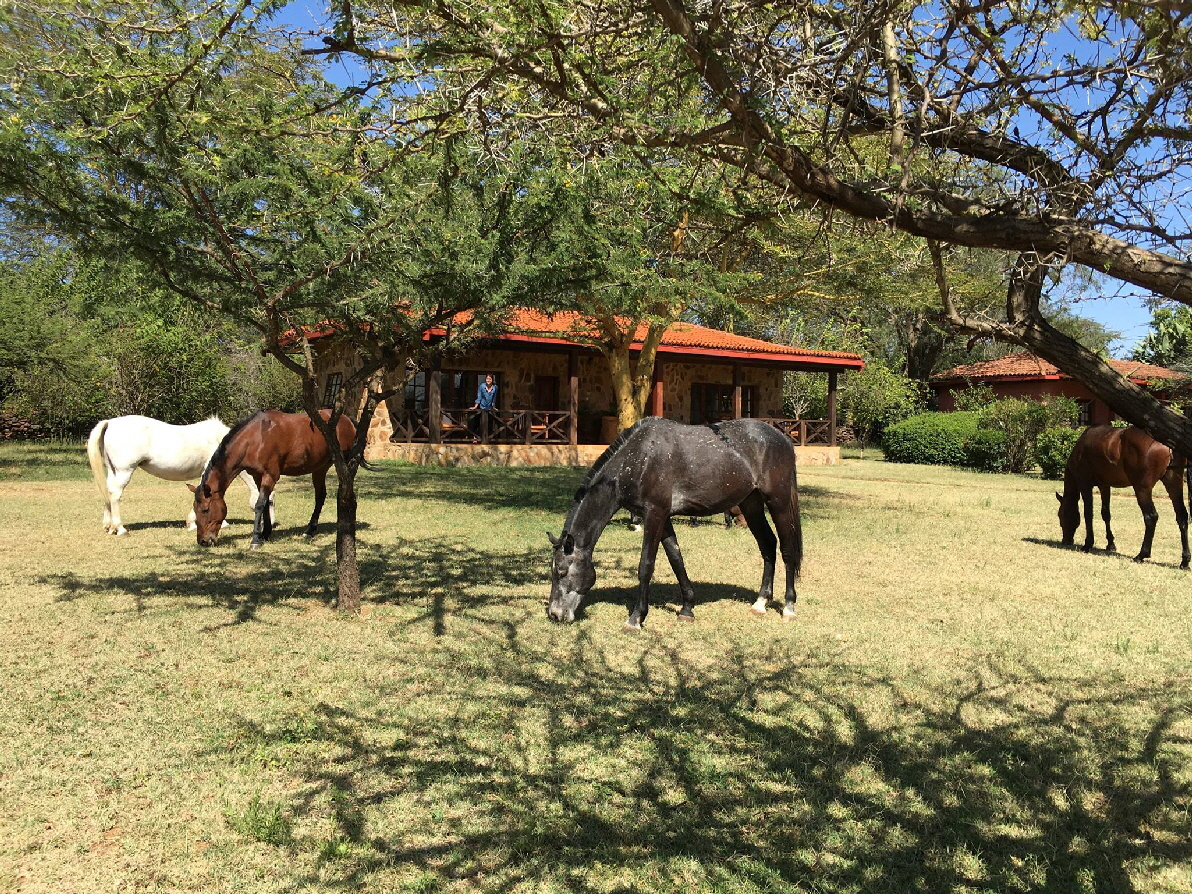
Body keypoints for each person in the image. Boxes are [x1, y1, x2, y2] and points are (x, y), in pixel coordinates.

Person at [469, 374, 498, 442]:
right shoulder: (482, 386)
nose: (488, 380)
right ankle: (475, 438)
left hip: (489, 407)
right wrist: (475, 406)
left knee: (489, 424)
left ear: (492, 380)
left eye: (490, 379)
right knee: (478, 423)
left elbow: (494, 398)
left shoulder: (495, 387)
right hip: (481, 407)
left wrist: (493, 406)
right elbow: (479, 396)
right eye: (487, 378)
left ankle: (487, 439)